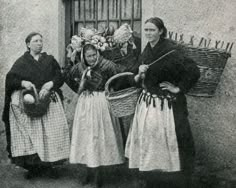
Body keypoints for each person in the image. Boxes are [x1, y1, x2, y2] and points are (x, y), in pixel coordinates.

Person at [125, 17, 200, 188]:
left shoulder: (172, 51)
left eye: (152, 30)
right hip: (148, 104)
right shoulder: (146, 51)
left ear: (161, 31)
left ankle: (175, 181)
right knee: (151, 142)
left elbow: (193, 71)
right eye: (146, 30)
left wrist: (178, 88)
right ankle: (152, 179)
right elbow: (135, 76)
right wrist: (139, 73)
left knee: (173, 141)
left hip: (168, 106)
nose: (149, 33)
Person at [2, 32, 70, 179]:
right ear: (28, 44)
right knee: (32, 136)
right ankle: (34, 168)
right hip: (30, 104)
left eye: (41, 40)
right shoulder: (22, 62)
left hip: (48, 102)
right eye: (35, 41)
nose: (39, 43)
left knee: (50, 134)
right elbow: (10, 78)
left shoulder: (49, 60)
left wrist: (51, 84)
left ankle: (49, 166)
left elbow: (59, 75)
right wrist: (22, 83)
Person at [64, 43, 124, 188]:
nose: (92, 58)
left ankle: (99, 175)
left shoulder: (108, 66)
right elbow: (68, 78)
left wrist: (110, 90)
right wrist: (81, 87)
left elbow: (119, 79)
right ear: (83, 56)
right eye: (88, 56)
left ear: (98, 53)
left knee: (99, 137)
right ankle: (89, 172)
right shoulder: (79, 67)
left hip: (101, 103)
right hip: (85, 103)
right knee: (86, 137)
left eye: (94, 55)